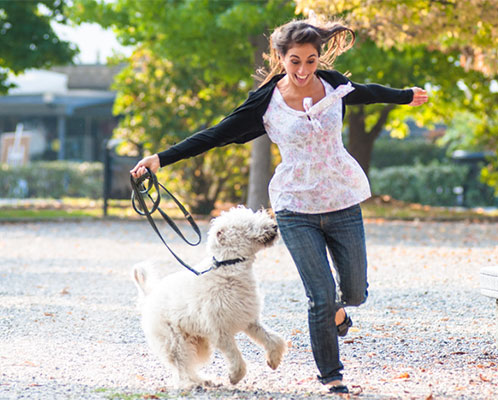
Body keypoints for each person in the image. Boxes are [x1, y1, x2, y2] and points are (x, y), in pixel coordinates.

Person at [130, 16, 428, 394]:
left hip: (342, 201)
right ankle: (332, 377)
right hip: (294, 206)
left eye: (310, 60)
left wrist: (404, 95)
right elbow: (216, 134)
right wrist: (161, 158)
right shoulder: (266, 102)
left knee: (353, 293)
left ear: (319, 58)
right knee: (319, 297)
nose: (303, 70)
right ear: (280, 57)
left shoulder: (334, 85)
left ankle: (338, 311)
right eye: (295, 61)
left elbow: (367, 91)